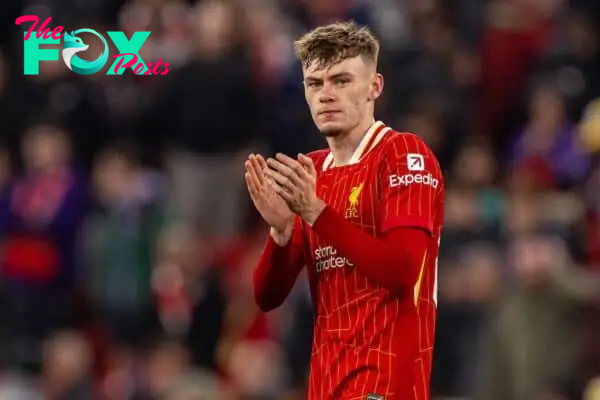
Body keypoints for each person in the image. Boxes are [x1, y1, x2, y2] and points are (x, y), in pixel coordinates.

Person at [244, 21, 444, 400]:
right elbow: (266, 297)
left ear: (374, 87)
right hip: (325, 383)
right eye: (314, 83)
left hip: (386, 383)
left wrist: (316, 213)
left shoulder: (403, 154)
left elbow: (403, 270)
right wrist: (282, 232)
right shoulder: (313, 173)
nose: (326, 95)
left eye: (341, 80)